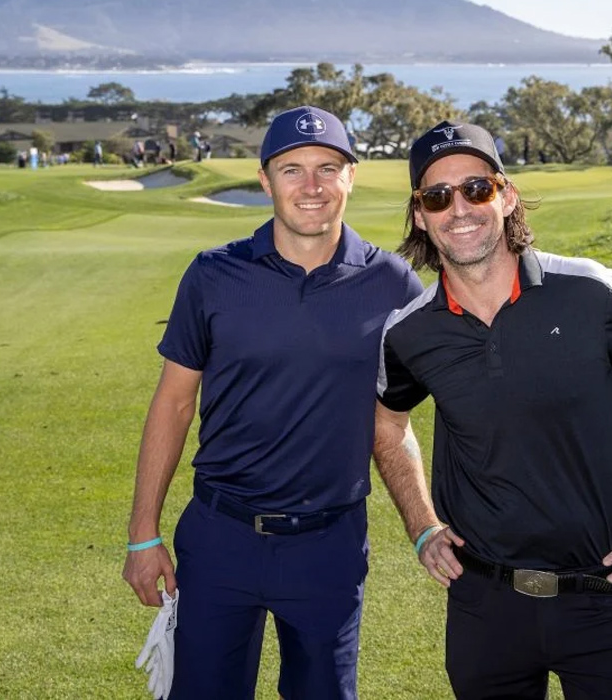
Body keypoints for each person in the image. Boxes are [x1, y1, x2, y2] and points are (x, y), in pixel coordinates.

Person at [373, 121, 612, 699]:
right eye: (437, 197)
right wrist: (422, 526)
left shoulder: (588, 291)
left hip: (602, 596)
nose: (458, 209)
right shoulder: (408, 333)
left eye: (476, 189)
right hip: (482, 605)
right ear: (420, 216)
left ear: (506, 195)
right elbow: (388, 428)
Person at [122, 105, 423, 699]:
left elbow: (401, 421)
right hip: (219, 539)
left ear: (351, 177)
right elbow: (174, 404)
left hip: (329, 545)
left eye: (327, 168)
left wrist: (427, 523)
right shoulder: (213, 274)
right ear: (265, 180)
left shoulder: (392, 283)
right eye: (291, 170)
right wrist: (142, 533)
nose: (310, 186)